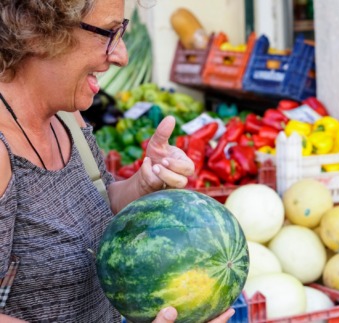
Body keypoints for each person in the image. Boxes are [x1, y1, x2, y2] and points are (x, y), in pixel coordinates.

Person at [0, 0, 236, 322]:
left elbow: (95, 204)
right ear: (36, 31)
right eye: (109, 33)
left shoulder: (68, 117)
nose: (122, 56)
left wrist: (142, 184)